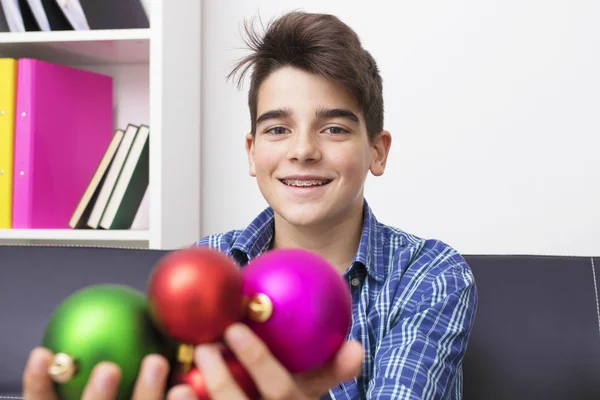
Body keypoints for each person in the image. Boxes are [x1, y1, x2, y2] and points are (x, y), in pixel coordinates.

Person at [21, 10, 477, 400]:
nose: (302, 150)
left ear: (377, 151)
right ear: (251, 152)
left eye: (334, 129)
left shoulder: (430, 275)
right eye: (278, 129)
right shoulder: (206, 266)